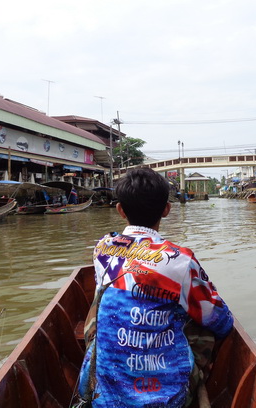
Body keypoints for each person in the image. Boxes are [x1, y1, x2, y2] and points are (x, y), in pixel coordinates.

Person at [78, 168, 233, 408]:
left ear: (120, 210)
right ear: (166, 210)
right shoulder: (179, 259)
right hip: (169, 398)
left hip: (99, 394)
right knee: (204, 322)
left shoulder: (103, 247)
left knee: (100, 303)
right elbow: (219, 319)